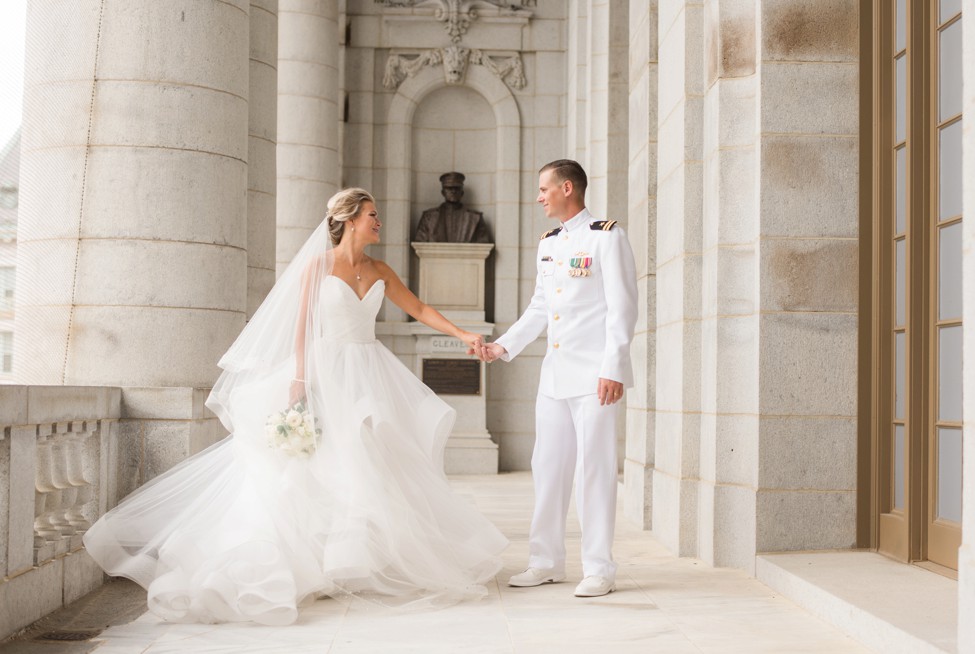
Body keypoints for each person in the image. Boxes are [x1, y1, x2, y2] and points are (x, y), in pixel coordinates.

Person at [83, 188, 508, 625]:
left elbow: (418, 307)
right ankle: (308, 563)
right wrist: (300, 380)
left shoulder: (380, 269)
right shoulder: (317, 266)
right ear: (348, 220)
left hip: (367, 372)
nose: (379, 222)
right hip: (325, 369)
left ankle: (354, 562)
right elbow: (303, 325)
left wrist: (464, 336)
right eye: (372, 215)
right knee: (312, 467)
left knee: (365, 461)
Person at [476, 160, 638, 598]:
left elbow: (623, 308)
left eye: (545, 188)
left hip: (594, 377)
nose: (539, 197)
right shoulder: (548, 244)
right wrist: (502, 346)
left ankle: (599, 568)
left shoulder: (607, 236)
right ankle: (545, 561)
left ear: (568, 188)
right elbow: (539, 309)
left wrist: (613, 367)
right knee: (547, 468)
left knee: (595, 471)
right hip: (554, 377)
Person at [412, 171, 492, 243]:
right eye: (449, 188)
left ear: (462, 192)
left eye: (457, 188)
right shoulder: (428, 217)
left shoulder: (475, 218)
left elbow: (483, 244)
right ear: (443, 192)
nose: (453, 191)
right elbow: (420, 243)